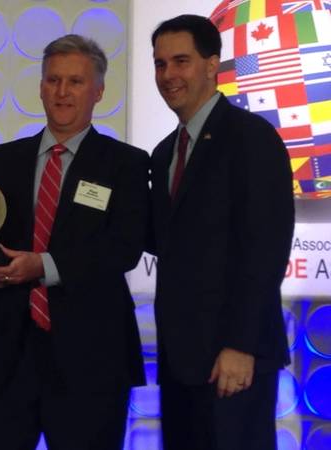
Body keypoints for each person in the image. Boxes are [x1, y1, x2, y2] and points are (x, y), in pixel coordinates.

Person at [0, 34, 149, 450]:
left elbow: (123, 246)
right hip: (6, 359)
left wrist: (43, 267)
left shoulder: (126, 164)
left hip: (92, 362)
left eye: (75, 82)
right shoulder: (0, 160)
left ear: (99, 90)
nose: (62, 92)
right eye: (53, 80)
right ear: (40, 87)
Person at [149, 14, 295, 450]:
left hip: (233, 360)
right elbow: (166, 240)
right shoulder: (163, 153)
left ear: (212, 65)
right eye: (160, 64)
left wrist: (240, 344)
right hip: (181, 363)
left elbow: (265, 249)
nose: (168, 76)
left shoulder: (252, 138)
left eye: (181, 61)